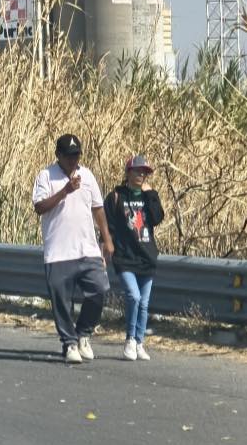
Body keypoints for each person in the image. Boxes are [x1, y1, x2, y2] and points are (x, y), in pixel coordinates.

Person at [32, 134, 115, 364]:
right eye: (68, 156)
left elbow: (98, 208)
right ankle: (69, 343)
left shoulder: (87, 176)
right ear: (58, 155)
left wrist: (107, 239)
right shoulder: (46, 176)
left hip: (87, 249)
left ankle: (83, 335)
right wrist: (65, 191)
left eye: (76, 155)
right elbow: (39, 207)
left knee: (99, 289)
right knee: (61, 300)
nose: (72, 160)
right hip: (58, 251)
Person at [105, 155, 164, 361]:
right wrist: (107, 250)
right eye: (138, 171)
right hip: (125, 256)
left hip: (146, 256)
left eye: (145, 172)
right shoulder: (116, 196)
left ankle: (140, 342)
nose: (141, 175)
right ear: (128, 172)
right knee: (134, 296)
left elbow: (157, 218)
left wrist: (151, 195)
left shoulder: (149, 196)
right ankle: (130, 339)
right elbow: (109, 225)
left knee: (145, 303)